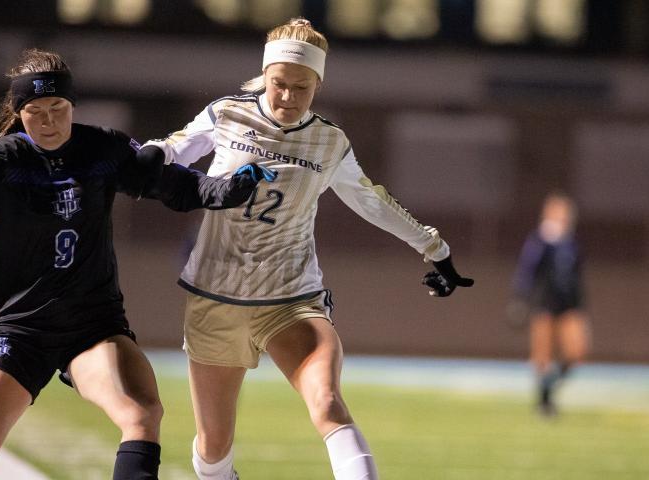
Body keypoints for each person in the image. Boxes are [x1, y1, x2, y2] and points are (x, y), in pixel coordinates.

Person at [140, 18, 474, 480]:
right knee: (214, 447)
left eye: (303, 87)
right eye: (279, 84)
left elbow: (371, 201)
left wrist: (433, 246)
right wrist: (152, 152)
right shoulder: (228, 113)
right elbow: (176, 147)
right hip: (216, 297)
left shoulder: (330, 141)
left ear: (318, 84)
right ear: (264, 76)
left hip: (291, 299)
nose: (289, 98)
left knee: (329, 404)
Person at [0, 48, 272, 480]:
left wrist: (223, 191)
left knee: (142, 413)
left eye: (59, 108)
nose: (50, 121)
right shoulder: (5, 158)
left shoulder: (101, 148)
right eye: (36, 112)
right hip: (20, 327)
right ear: (19, 112)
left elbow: (168, 183)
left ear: (73, 105)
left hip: (90, 324)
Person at [509, 192, 590, 417]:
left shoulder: (572, 243)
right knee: (542, 356)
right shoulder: (540, 240)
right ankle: (543, 401)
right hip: (543, 303)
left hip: (569, 305)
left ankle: (549, 389)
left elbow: (577, 277)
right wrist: (519, 300)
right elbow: (527, 271)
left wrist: (581, 306)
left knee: (576, 352)